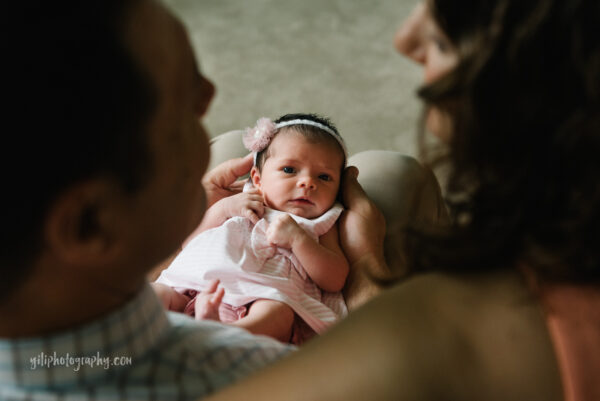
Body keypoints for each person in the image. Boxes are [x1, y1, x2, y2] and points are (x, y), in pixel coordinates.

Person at [204, 0, 600, 400]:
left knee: (227, 149)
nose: (404, 40)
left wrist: (363, 260)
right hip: (211, 284)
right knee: (389, 169)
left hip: (250, 320)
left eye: (445, 39)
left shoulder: (428, 337)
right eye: (289, 172)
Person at [0, 1, 297, 399]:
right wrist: (367, 264)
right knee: (387, 170)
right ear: (93, 224)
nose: (210, 94)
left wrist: (163, 230)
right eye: (183, 101)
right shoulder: (262, 374)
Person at [152, 113, 350, 344]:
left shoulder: (321, 222)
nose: (307, 183)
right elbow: (189, 243)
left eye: (324, 177)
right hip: (191, 289)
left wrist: (299, 241)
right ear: (257, 178)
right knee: (157, 293)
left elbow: (335, 279)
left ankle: (224, 335)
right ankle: (142, 328)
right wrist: (222, 209)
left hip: (261, 298)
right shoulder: (238, 200)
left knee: (278, 314)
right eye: (289, 169)